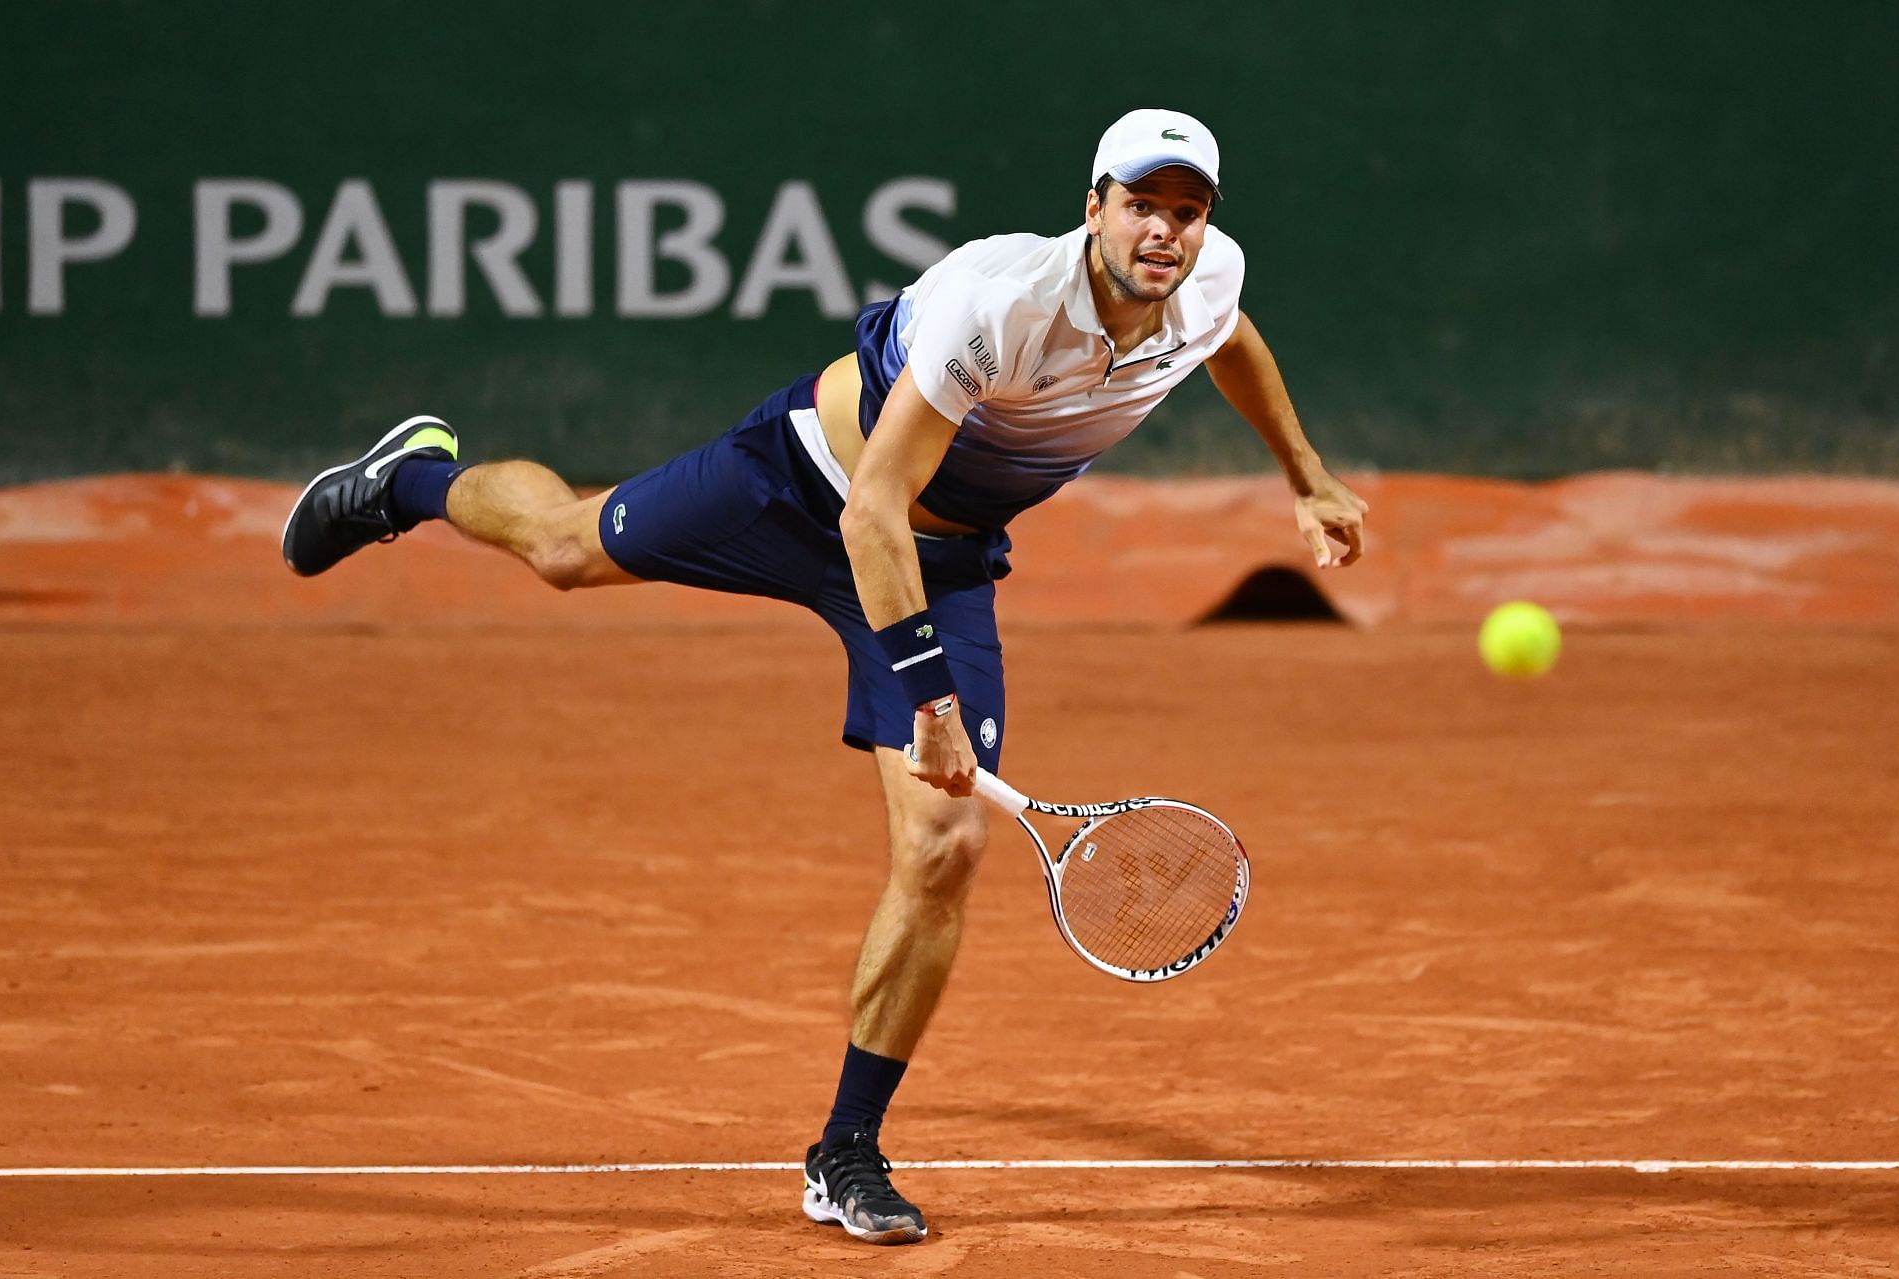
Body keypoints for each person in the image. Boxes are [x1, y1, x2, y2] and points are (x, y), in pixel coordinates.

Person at [282, 107, 1368, 1245]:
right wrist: (932, 704)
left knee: (945, 844)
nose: (1165, 231)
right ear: (1092, 207)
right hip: (805, 485)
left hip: (940, 564)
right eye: (1142, 204)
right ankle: (411, 479)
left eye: (1186, 212)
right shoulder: (996, 305)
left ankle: (845, 1147)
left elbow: (1229, 338)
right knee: (561, 549)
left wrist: (1306, 475)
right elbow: (874, 510)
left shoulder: (1203, 280)